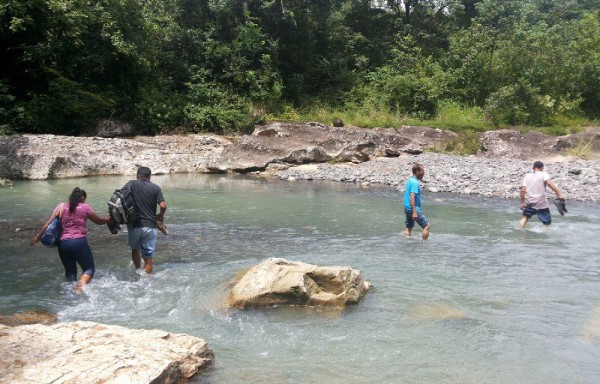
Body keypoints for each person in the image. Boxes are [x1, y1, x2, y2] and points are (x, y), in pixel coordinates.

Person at [31, 187, 110, 288]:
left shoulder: (61, 206)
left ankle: (72, 293)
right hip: (78, 242)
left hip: (62, 244)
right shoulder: (85, 207)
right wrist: (107, 219)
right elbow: (98, 221)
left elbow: (48, 223)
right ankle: (79, 287)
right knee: (89, 269)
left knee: (71, 273)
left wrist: (37, 238)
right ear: (82, 198)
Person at [121, 166, 167, 274]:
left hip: (134, 225)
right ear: (149, 176)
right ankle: (148, 280)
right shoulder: (156, 187)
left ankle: (138, 272)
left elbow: (120, 197)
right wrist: (161, 215)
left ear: (137, 175)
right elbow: (163, 205)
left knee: (135, 249)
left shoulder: (132, 183)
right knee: (148, 257)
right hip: (150, 226)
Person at [520, 160, 565, 228]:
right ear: (542, 168)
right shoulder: (543, 174)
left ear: (533, 168)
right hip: (541, 203)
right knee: (547, 223)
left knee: (525, 218)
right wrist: (559, 193)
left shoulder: (527, 176)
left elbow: (523, 190)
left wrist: (522, 203)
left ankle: (520, 230)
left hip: (529, 202)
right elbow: (549, 183)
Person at [403, 163, 430, 240]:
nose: (424, 173)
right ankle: (424, 244)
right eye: (422, 171)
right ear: (417, 171)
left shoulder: (410, 180)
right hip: (413, 209)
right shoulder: (415, 183)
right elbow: (412, 197)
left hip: (407, 208)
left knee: (409, 227)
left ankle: (407, 242)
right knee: (427, 226)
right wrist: (414, 212)